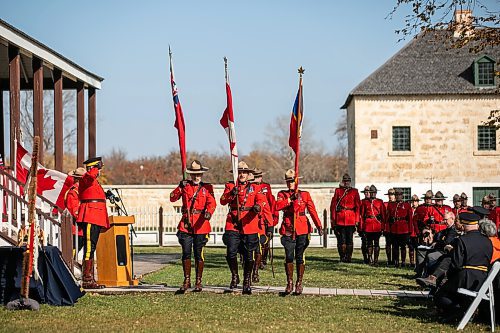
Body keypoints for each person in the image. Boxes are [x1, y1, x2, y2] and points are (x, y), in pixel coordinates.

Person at [433, 212, 493, 320]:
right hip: (483, 279)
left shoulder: (462, 240)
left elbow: (456, 265)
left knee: (440, 296)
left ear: (464, 225)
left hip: (465, 278)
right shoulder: (487, 241)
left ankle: (459, 311)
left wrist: (448, 276)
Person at [220, 161, 268, 294]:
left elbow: (261, 200)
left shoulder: (255, 188)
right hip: (233, 223)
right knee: (230, 253)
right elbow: (223, 200)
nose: (242, 174)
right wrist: (232, 194)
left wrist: (258, 207)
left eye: (244, 172)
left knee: (249, 256)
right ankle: (235, 276)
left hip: (249, 223)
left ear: (248, 175)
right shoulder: (230, 186)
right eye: (240, 172)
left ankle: (247, 281)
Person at [170, 160, 216, 292]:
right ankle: (187, 280)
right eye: (194, 174)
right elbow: (172, 198)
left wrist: (208, 213)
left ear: (202, 174)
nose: (196, 177)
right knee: (186, 253)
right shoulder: (185, 186)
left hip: (201, 224)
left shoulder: (207, 188)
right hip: (186, 224)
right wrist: (179, 187)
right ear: (190, 175)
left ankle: (198, 281)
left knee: (198, 254)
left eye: (199, 174)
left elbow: (212, 203)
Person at [275, 169, 323, 295]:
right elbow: (277, 206)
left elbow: (312, 210)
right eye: (288, 181)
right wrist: (290, 199)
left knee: (300, 256)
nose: (290, 183)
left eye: (292, 181)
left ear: (296, 181)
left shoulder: (305, 194)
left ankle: (299, 283)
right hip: (288, 228)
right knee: (289, 256)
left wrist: (319, 225)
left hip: (302, 228)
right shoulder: (282, 194)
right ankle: (289, 282)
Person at [77, 157, 109, 289]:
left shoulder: (93, 181)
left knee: (92, 248)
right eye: (98, 168)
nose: (99, 171)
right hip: (90, 215)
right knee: (89, 248)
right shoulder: (86, 178)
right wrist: (96, 168)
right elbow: (90, 177)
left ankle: (90, 277)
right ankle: (87, 279)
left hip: (96, 216)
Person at [415, 211, 459, 282]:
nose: (444, 221)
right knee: (421, 251)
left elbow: (447, 242)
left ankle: (429, 276)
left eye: (446, 219)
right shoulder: (447, 229)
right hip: (440, 249)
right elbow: (440, 236)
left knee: (431, 256)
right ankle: (419, 273)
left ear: (452, 218)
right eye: (444, 219)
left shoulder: (453, 229)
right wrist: (432, 237)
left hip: (446, 252)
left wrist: (436, 244)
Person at [247, 171, 274, 283]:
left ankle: (255, 271)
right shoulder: (244, 191)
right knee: (247, 251)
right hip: (246, 223)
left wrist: (270, 225)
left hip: (259, 224)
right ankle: (248, 273)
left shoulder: (261, 190)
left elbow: (267, 207)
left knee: (258, 249)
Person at [330, 174, 360, 263]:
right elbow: (333, 207)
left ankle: (349, 257)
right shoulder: (338, 191)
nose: (346, 182)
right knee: (341, 240)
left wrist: (357, 220)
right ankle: (342, 257)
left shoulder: (354, 191)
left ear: (350, 182)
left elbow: (358, 206)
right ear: (343, 182)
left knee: (349, 240)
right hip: (340, 219)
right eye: (345, 181)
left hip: (351, 218)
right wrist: (334, 220)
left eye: (348, 181)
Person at [252, 168, 277, 271]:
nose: (257, 178)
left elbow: (271, 202)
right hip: (254, 217)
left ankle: (263, 259)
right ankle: (255, 260)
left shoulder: (266, 186)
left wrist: (272, 218)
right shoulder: (250, 187)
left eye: (259, 176)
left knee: (265, 241)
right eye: (255, 176)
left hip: (265, 217)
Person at [385, 188, 414, 267]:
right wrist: (387, 229)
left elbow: (410, 219)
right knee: (395, 246)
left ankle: (403, 261)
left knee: (403, 246)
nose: (398, 197)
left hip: (404, 228)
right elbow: (388, 218)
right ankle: (396, 261)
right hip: (394, 228)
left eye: (400, 195)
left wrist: (410, 230)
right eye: (397, 195)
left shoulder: (407, 205)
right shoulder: (391, 205)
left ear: (402, 196)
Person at [359, 185, 386, 266]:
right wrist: (362, 226)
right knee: (369, 243)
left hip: (377, 224)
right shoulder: (365, 202)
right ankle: (370, 259)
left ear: (376, 193)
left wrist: (383, 226)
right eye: (371, 193)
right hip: (368, 225)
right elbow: (362, 215)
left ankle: (376, 260)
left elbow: (383, 215)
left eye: (374, 193)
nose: (372, 194)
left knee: (377, 243)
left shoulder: (380, 202)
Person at [64, 167, 86, 254]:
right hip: (76, 229)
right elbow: (74, 211)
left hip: (81, 229)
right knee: (72, 254)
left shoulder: (81, 191)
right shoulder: (73, 192)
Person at [383, 188, 396, 266]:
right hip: (387, 227)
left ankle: (394, 260)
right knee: (388, 244)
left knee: (395, 244)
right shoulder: (385, 204)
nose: (391, 196)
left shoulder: (397, 204)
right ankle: (389, 259)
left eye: (392, 195)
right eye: (389, 195)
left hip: (395, 227)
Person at [359, 186, 371, 264]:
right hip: (363, 224)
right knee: (364, 243)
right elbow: (360, 215)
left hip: (371, 225)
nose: (367, 194)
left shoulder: (373, 201)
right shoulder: (361, 202)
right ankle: (365, 258)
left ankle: (370, 258)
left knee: (370, 243)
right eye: (365, 192)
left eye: (368, 192)